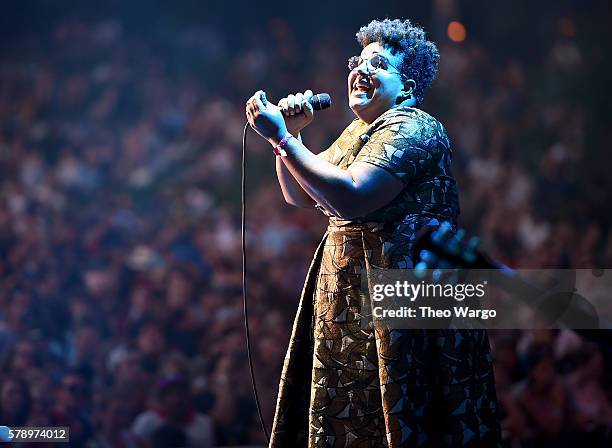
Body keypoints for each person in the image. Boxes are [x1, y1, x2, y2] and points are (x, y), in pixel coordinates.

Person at [246, 18, 501, 447]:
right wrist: (291, 137)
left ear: (406, 87)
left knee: (408, 420)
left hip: (405, 309)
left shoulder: (414, 126)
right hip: (355, 307)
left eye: (378, 64)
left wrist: (286, 141)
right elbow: (299, 194)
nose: (361, 71)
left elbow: (350, 197)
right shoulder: (358, 132)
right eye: (358, 61)